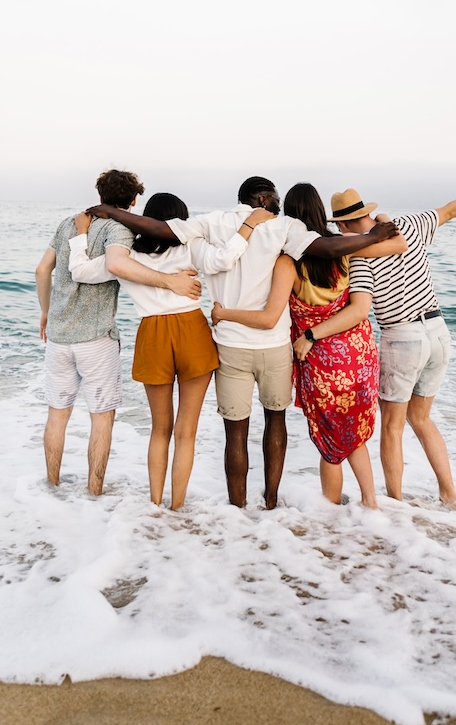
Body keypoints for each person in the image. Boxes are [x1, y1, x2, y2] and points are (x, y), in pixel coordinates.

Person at [87, 176, 403, 509]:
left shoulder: (212, 223)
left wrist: (112, 212)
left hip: (225, 345)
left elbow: (161, 232)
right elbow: (326, 248)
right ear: (263, 197)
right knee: (271, 422)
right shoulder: (284, 226)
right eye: (275, 196)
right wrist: (373, 236)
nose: (279, 201)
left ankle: (228, 508)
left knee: (227, 432)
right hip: (272, 344)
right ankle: (268, 502)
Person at [68, 193, 274, 509]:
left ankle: (155, 505)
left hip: (153, 337)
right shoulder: (190, 247)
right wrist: (249, 223)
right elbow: (224, 258)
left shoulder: (127, 256)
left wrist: (81, 234)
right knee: (186, 432)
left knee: (159, 430)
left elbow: (79, 272)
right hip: (192, 334)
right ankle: (177, 507)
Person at [322, 174, 456, 506]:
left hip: (402, 337)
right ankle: (449, 494)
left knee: (393, 427)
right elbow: (451, 210)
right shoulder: (408, 226)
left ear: (348, 224)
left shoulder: (360, 256)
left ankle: (394, 501)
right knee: (422, 418)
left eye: (340, 227)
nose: (340, 234)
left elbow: (361, 308)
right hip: (439, 333)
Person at [210, 183, 407, 509]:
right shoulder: (345, 247)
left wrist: (224, 311)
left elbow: (271, 314)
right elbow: (397, 245)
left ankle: (330, 517)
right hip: (359, 353)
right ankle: (370, 504)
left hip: (321, 360)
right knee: (354, 433)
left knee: (332, 441)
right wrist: (379, 223)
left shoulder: (287, 260)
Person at [34, 170, 201, 496]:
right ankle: (94, 492)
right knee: (101, 419)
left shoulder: (69, 223)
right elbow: (119, 265)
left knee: (57, 415)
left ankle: (51, 488)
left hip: (57, 337)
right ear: (134, 200)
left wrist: (45, 312)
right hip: (96, 338)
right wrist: (170, 280)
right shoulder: (120, 229)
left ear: (99, 195)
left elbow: (42, 270)